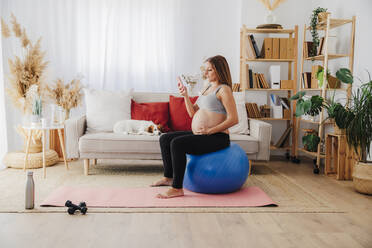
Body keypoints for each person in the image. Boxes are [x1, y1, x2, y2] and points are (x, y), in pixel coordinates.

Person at [151, 55, 239, 198]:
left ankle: (177, 188)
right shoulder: (207, 88)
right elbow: (192, 113)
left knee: (177, 144)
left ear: (219, 70)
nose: (205, 73)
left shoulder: (224, 90)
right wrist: (185, 95)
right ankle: (169, 177)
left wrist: (210, 130)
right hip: (202, 135)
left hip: (217, 137)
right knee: (165, 138)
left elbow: (234, 119)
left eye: (209, 70)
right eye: (206, 70)